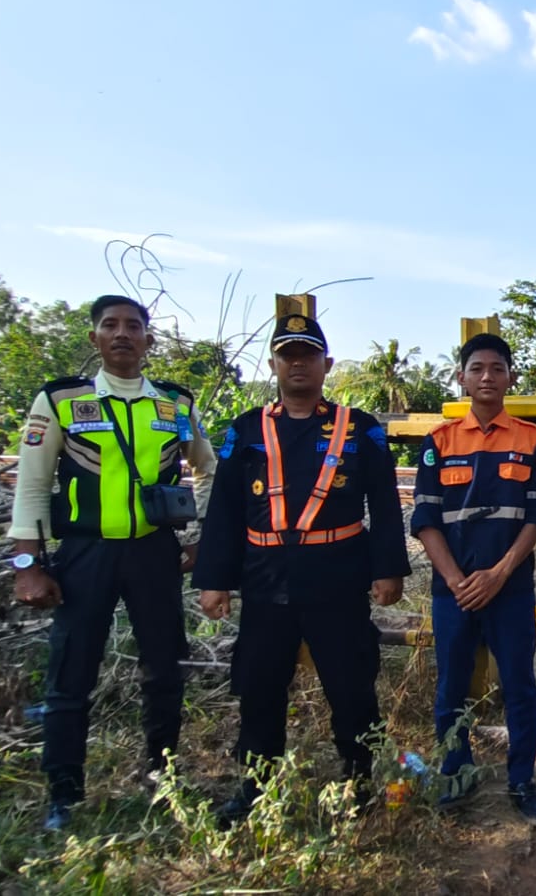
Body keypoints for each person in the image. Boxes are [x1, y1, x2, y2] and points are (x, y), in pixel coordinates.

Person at [8, 294, 217, 831]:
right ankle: (63, 795)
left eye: (133, 326)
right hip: (85, 555)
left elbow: (208, 470)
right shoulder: (60, 400)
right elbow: (31, 485)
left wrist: (203, 536)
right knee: (70, 674)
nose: (122, 334)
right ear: (94, 339)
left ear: (149, 340)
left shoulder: (174, 405)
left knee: (165, 670)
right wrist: (28, 564)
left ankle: (161, 780)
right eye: (109, 326)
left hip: (154, 553)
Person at [192, 314, 409, 826]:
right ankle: (256, 786)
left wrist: (389, 570)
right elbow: (223, 508)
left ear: (326, 365)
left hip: (338, 576)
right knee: (259, 685)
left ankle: (359, 779)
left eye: (308, 355)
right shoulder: (246, 429)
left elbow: (384, 501)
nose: (298, 364)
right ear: (273, 364)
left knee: (352, 684)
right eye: (288, 355)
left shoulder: (359, 428)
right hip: (265, 580)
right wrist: (214, 579)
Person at [410, 333, 536, 826]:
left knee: (520, 686)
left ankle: (522, 782)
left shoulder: (531, 440)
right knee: (451, 686)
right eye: (478, 368)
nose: (488, 377)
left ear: (511, 377)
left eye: (498, 368)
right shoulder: (438, 443)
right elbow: (426, 521)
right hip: (452, 592)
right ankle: (456, 773)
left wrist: (498, 574)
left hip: (510, 588)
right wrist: (456, 579)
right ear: (462, 378)